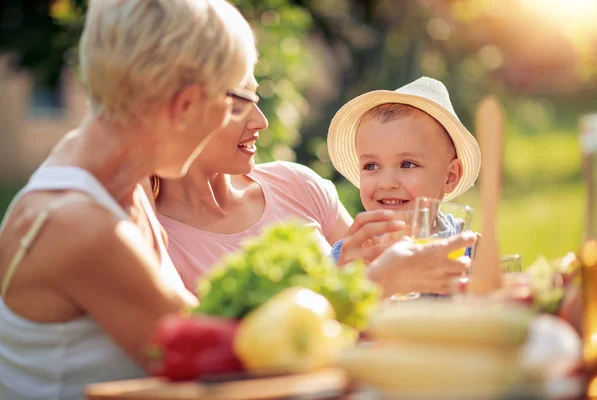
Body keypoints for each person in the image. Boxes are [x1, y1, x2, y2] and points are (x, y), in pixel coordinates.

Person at [0, 1, 257, 399]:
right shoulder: (78, 226)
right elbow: (228, 364)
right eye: (235, 102)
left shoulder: (118, 180)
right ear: (186, 104)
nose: (235, 117)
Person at [153, 76, 354, 291]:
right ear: (182, 110)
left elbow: (375, 292)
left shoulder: (297, 185)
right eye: (238, 105)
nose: (262, 121)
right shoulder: (157, 245)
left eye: (254, 99)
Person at [327, 76, 481, 295]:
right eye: (371, 166)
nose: (387, 183)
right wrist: (347, 282)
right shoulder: (351, 256)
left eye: (407, 164)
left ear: (450, 176)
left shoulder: (467, 248)